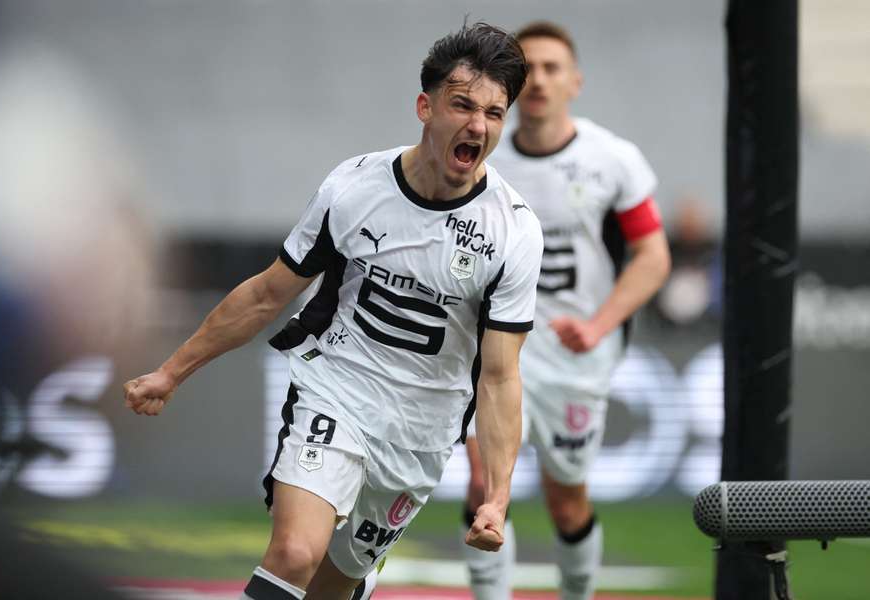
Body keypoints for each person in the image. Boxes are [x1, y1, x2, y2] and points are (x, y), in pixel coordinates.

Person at [123, 22, 543, 600]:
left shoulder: (513, 230)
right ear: (425, 105)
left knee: (330, 588)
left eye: (495, 114)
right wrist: (172, 371)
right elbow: (269, 293)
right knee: (294, 553)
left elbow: (499, 375)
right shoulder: (355, 187)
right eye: (462, 104)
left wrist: (496, 497)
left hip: (422, 432)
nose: (477, 125)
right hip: (336, 389)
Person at [460, 21, 671, 600]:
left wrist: (599, 324)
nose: (541, 81)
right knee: (482, 484)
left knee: (566, 497)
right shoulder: (480, 160)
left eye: (554, 69)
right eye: (530, 70)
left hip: (578, 354)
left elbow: (653, 257)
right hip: (498, 349)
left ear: (575, 81)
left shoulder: (612, 160)